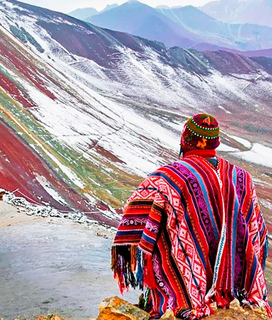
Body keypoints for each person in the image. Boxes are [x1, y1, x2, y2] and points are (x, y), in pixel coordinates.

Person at [111, 114, 271, 319]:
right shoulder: (242, 177)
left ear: (185, 141)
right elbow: (255, 230)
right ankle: (228, 289)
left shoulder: (168, 177)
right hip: (234, 287)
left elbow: (136, 216)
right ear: (216, 142)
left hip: (188, 289)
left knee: (165, 230)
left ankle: (186, 290)